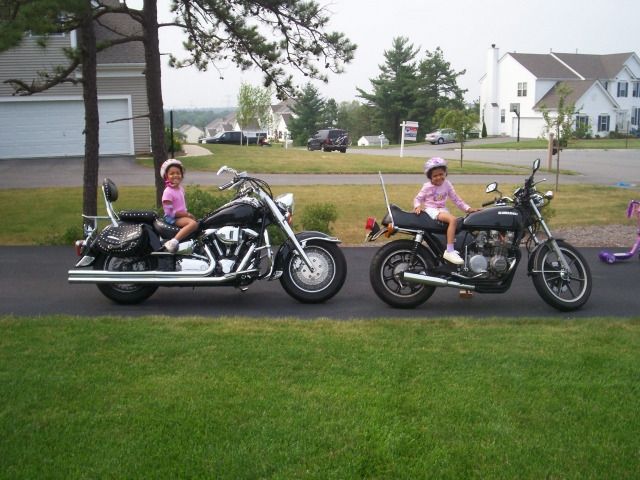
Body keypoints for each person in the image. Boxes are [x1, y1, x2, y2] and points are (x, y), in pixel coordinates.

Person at [413, 157, 479, 265]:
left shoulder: (447, 184)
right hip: (432, 210)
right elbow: (418, 198)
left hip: (442, 210)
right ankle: (449, 251)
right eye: (435, 176)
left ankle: (447, 249)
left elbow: (456, 199)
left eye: (441, 174)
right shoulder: (427, 187)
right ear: (430, 177)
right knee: (453, 220)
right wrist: (417, 206)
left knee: (460, 223)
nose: (439, 177)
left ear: (445, 173)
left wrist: (468, 209)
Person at [160, 159, 199, 253]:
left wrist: (186, 214)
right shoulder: (168, 192)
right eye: (172, 173)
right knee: (192, 224)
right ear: (166, 176)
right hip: (172, 218)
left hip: (180, 215)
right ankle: (173, 242)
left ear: (181, 175)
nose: (175, 175)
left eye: (178, 173)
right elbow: (169, 212)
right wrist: (187, 215)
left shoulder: (180, 188)